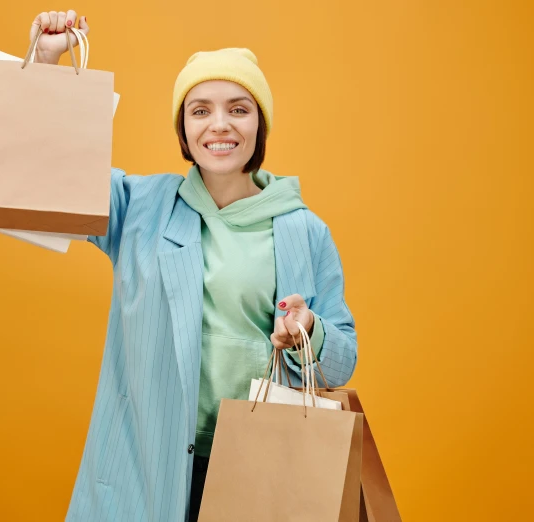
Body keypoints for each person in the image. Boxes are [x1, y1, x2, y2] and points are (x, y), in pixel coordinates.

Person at [29, 10, 358, 522]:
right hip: (147, 466)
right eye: (200, 110)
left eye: (239, 109)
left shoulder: (303, 230)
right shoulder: (139, 206)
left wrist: (310, 328)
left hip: (259, 469)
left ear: (260, 124)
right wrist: (48, 64)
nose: (220, 125)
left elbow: (342, 361)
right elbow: (54, 172)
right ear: (184, 129)